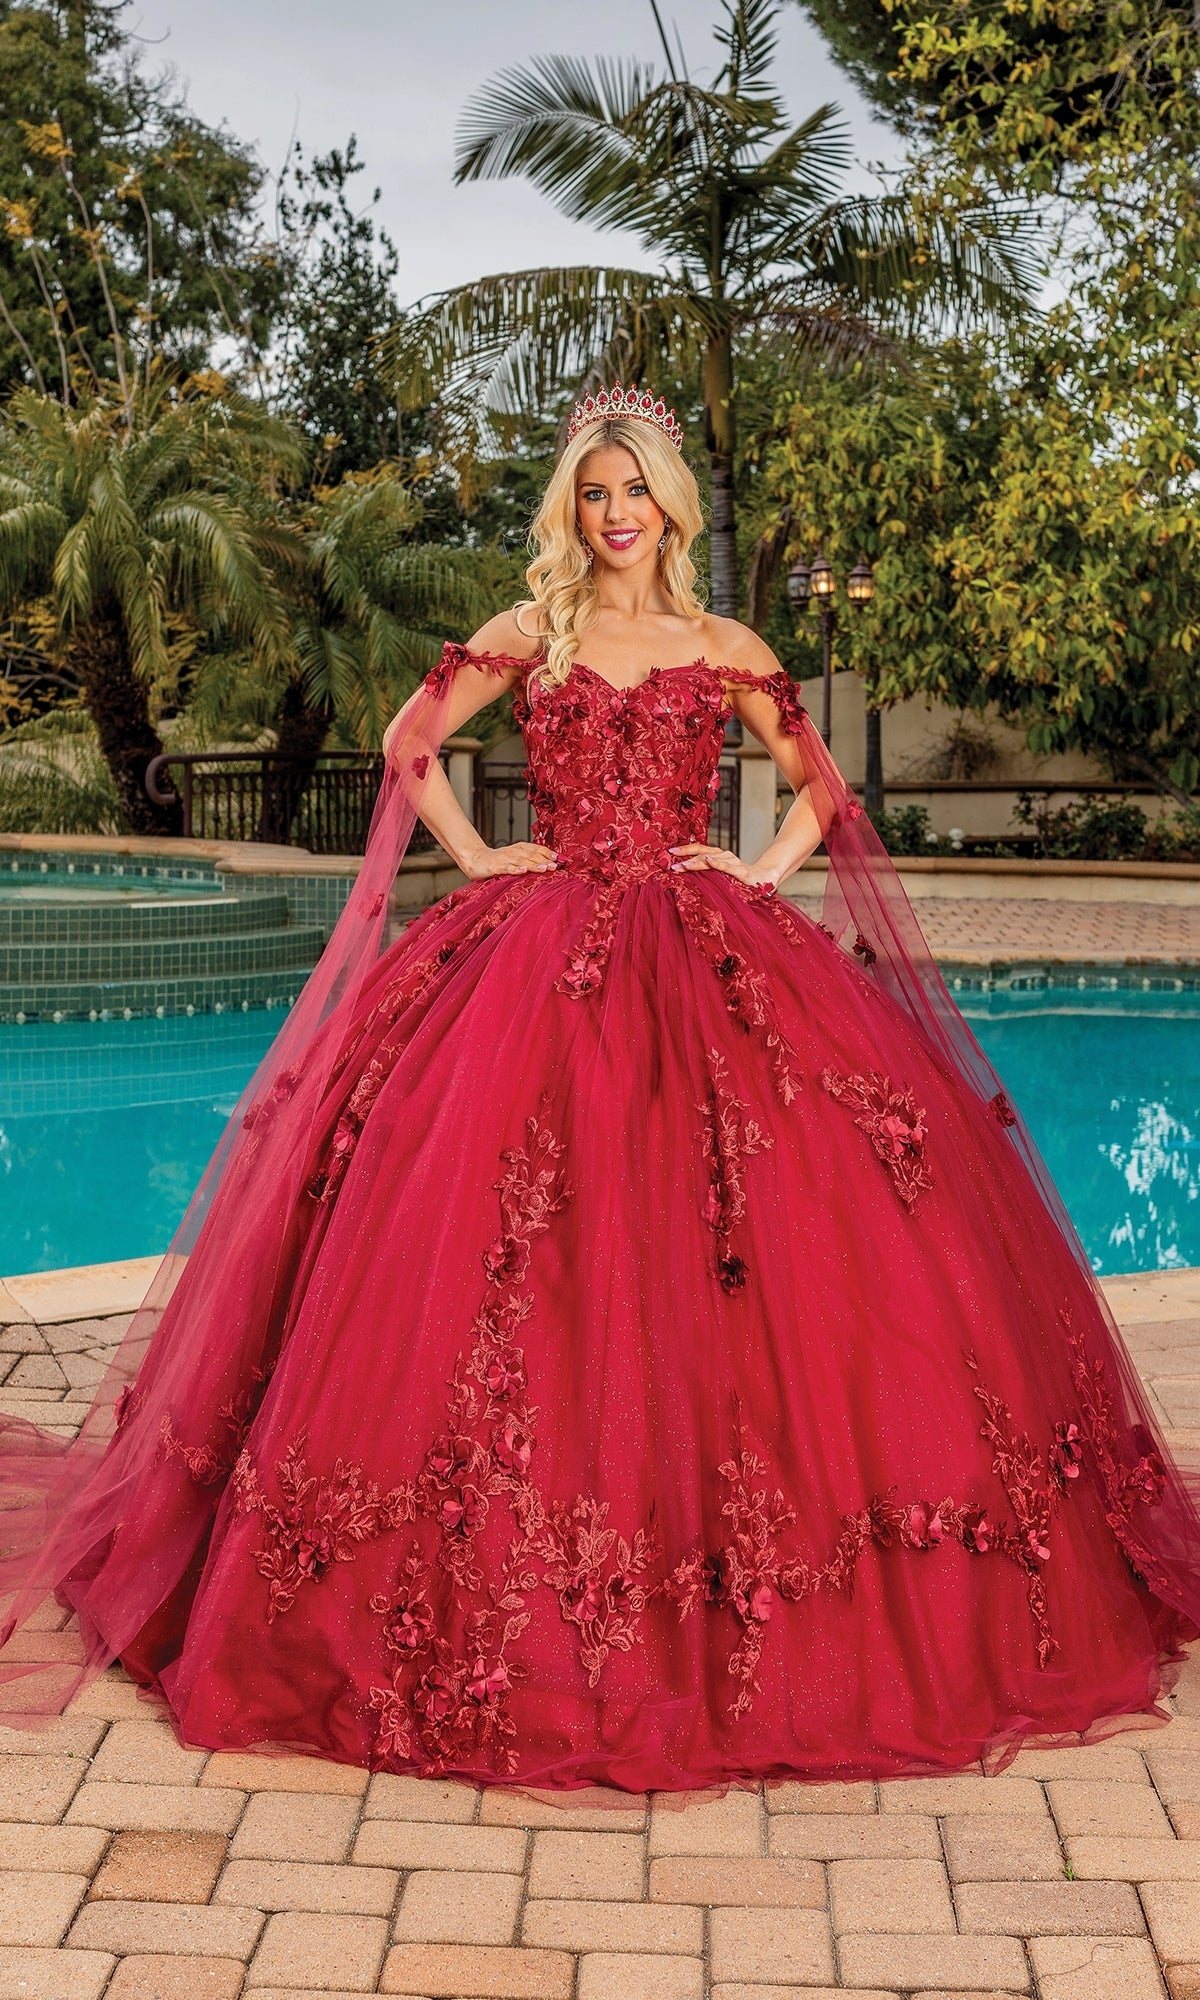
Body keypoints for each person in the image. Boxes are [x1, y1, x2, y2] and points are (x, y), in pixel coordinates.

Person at [0, 384, 1197, 1794]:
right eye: (593, 492)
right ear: (573, 508)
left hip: (705, 957)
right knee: (509, 1252)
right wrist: (485, 855)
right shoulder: (533, 634)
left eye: (636, 492)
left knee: (755, 1252)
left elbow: (821, 791)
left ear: (672, 507)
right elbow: (409, 743)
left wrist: (757, 876)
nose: (616, 514)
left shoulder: (724, 645)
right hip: (535, 955)